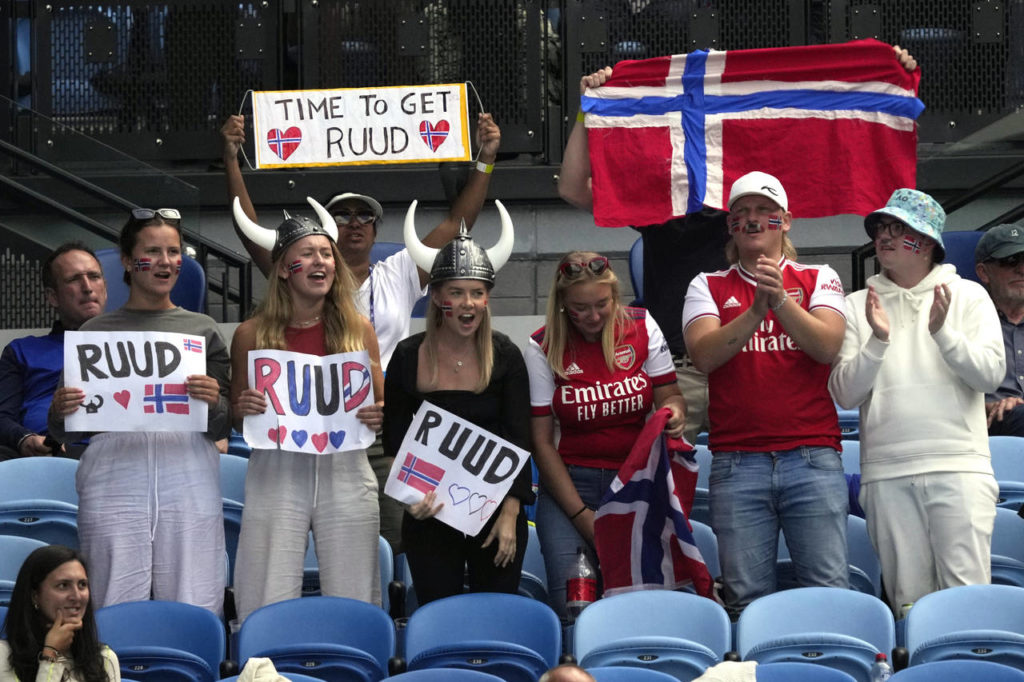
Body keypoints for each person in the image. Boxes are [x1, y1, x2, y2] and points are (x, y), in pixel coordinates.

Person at [557, 46, 919, 446]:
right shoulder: (660, 206)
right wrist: (589, 109)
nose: (751, 220)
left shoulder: (754, 213)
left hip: (757, 370)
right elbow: (572, 188)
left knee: (755, 471)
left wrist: (885, 71)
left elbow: (827, 139)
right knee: (666, 480)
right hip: (679, 372)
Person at [222, 112, 501, 551]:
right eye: (342, 214)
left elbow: (457, 224)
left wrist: (486, 159)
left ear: (375, 230)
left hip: (379, 424)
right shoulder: (299, 274)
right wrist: (231, 158)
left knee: (397, 538)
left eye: (365, 215)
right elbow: (249, 229)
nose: (354, 222)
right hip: (306, 427)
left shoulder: (400, 272)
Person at [48, 207, 231, 614]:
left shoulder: (204, 330)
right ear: (129, 261)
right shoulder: (92, 333)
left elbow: (223, 424)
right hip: (112, 477)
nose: (165, 262)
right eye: (152, 252)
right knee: (111, 597)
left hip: (189, 477)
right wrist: (60, 410)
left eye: (174, 251)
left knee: (194, 598)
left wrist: (214, 401)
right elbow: (63, 430)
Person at [829, 189, 1003, 614]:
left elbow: (990, 375)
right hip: (886, 472)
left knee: (968, 601)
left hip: (960, 465)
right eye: (880, 228)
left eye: (898, 228)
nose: (884, 237)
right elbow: (845, 393)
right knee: (908, 604)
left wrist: (944, 333)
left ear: (926, 242)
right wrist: (878, 341)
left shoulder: (969, 295)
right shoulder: (856, 305)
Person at [683, 171, 849, 618]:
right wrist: (756, 309)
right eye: (742, 213)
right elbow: (704, 356)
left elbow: (826, 347)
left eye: (764, 211)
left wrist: (778, 301)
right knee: (745, 600)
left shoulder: (820, 276)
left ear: (785, 221)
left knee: (828, 592)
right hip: (738, 462)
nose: (753, 219)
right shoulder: (707, 284)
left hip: (812, 456)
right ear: (731, 226)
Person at [230, 197, 385, 621]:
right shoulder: (250, 334)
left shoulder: (358, 329)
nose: (321, 262)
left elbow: (380, 404)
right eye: (308, 254)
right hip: (276, 467)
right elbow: (237, 415)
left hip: (345, 465)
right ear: (284, 268)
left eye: (326, 254)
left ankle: (355, 655)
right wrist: (242, 405)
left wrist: (379, 412)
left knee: (355, 593)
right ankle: (261, 657)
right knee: (265, 589)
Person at [382, 200, 533, 605]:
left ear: (487, 299)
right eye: (457, 293)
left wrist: (510, 516)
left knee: (496, 615)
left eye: (477, 294)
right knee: (436, 613)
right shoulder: (408, 357)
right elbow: (395, 443)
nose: (468, 303)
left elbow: (520, 440)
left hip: (497, 513)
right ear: (436, 297)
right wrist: (411, 499)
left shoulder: (506, 355)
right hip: (430, 513)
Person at [524, 251, 685, 620]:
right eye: (580, 308)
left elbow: (671, 396)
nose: (594, 316)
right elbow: (542, 442)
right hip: (570, 489)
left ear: (615, 296)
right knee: (573, 608)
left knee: (639, 604)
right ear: (562, 304)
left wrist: (675, 413)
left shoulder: (642, 326)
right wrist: (583, 517)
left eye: (602, 304)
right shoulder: (542, 345)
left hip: (634, 484)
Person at [0, 242, 107, 460]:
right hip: (46, 455)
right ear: (52, 297)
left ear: (105, 288)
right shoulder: (21, 351)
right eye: (74, 279)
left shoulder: (136, 345)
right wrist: (25, 439)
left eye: (94, 276)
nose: (87, 287)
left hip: (120, 454)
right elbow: (2, 417)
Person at [0, 544, 120, 682]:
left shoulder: (104, 659)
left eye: (82, 585)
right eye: (63, 585)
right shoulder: (3, 657)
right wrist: (51, 654)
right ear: (35, 596)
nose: (77, 596)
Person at [974, 223, 1024, 436]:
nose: (1022, 269)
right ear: (984, 272)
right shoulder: (966, 323)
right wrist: (988, 406)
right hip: (991, 423)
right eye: (1010, 261)